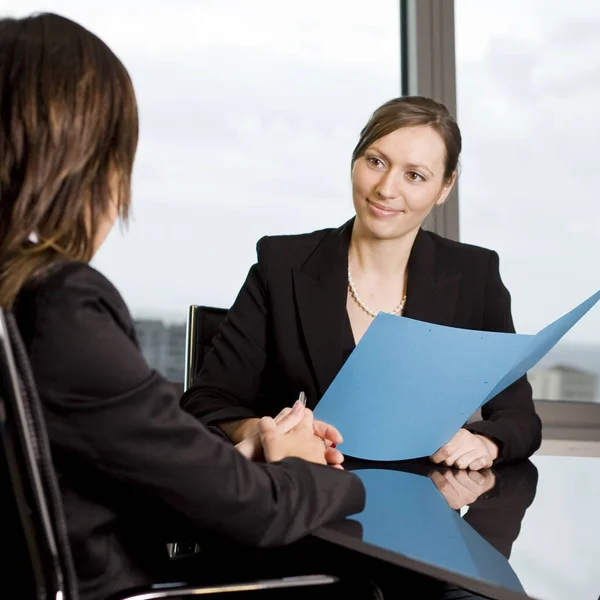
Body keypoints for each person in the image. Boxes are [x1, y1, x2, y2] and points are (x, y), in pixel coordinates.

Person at [0, 13, 368, 600]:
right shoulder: (60, 307)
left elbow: (96, 465)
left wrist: (248, 454)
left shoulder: (15, 299)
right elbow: (259, 513)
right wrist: (328, 475)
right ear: (88, 163)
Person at [182, 96, 542, 470]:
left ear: (445, 187)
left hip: (419, 507)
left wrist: (487, 442)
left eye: (414, 175)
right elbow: (207, 401)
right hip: (300, 499)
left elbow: (519, 419)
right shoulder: (281, 264)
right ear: (355, 161)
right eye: (375, 161)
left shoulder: (475, 274)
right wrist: (265, 432)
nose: (386, 188)